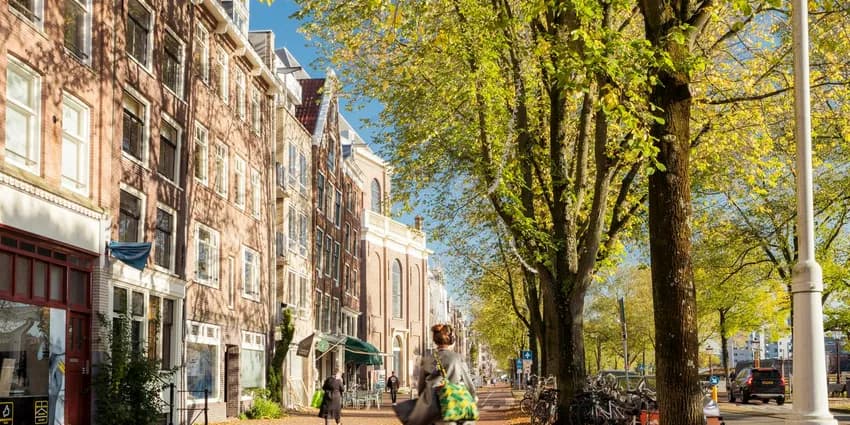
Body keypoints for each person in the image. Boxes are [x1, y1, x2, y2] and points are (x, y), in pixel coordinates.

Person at [416, 323, 476, 424]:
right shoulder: (457, 358)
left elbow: (421, 390)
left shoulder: (427, 359)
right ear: (450, 339)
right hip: (452, 407)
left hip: (434, 411)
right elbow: (469, 385)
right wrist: (473, 398)